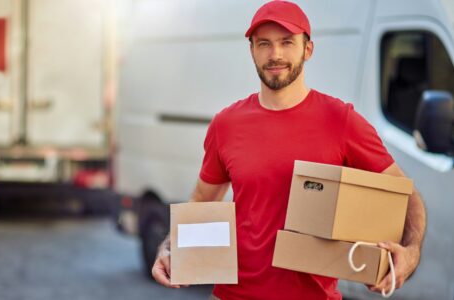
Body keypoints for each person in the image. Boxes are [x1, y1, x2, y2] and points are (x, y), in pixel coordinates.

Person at [151, 1, 427, 299]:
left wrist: (410, 255)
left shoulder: (341, 121)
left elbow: (406, 195)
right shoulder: (226, 124)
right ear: (252, 51)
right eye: (264, 44)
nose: (275, 54)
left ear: (307, 49)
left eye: (287, 42)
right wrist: (169, 247)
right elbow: (202, 202)